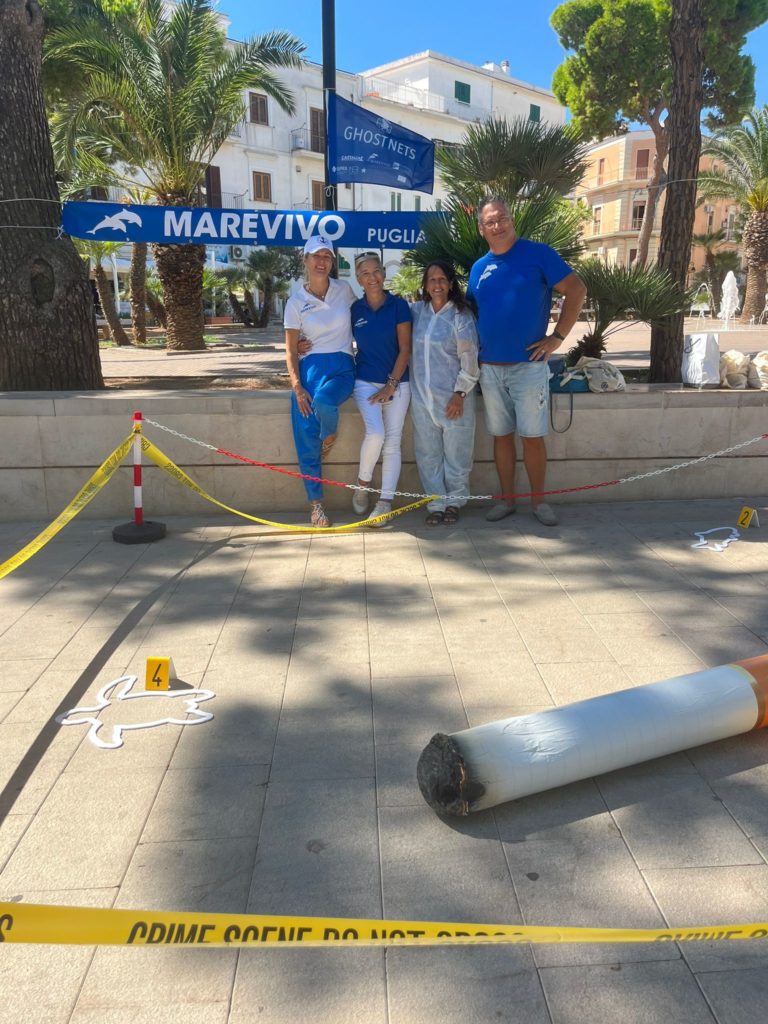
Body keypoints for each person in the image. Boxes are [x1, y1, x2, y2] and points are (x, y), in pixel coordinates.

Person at [466, 196, 587, 526]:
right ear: (481, 229)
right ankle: (507, 501)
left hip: (529, 367)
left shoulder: (538, 254)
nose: (498, 226)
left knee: (532, 437)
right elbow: (470, 314)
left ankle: (538, 503)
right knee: (501, 436)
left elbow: (576, 290)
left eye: (502, 218)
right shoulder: (478, 268)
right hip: (490, 369)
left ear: (512, 219)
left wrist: (557, 337)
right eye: (490, 222)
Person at [284, 234, 356, 527]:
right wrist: (297, 386)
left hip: (342, 368)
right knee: (305, 436)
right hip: (309, 371)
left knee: (325, 402)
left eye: (327, 256)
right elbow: (290, 350)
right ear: (305, 260)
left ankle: (329, 436)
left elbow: (365, 319)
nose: (322, 262)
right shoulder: (295, 302)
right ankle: (316, 506)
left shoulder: (345, 290)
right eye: (316, 256)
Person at [410, 260, 480, 526]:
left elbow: (470, 357)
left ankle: (454, 502)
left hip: (454, 399)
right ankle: (436, 503)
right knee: (427, 454)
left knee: (457, 454)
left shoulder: (461, 316)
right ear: (425, 285)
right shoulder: (417, 312)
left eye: (442, 279)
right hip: (422, 399)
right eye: (432, 280)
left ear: (451, 284)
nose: (437, 284)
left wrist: (460, 393)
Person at [350, 252, 412, 525]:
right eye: (365, 273)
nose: (372, 277)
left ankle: (384, 503)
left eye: (376, 271)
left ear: (384, 274)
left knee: (393, 442)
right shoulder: (355, 309)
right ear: (358, 280)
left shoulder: (399, 306)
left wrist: (391, 385)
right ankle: (362, 485)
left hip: (398, 382)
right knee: (376, 434)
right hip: (365, 381)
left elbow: (405, 349)